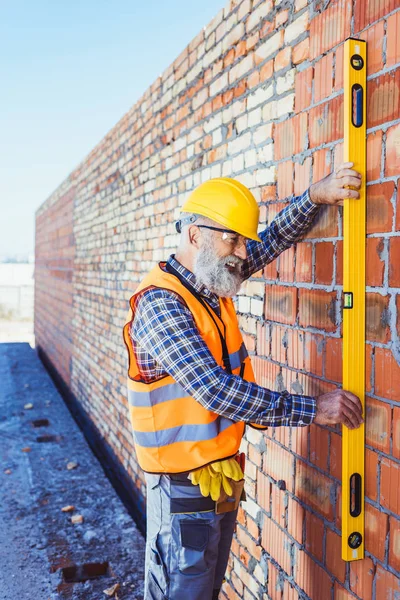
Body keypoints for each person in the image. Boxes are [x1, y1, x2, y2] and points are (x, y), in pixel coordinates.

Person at [122, 163, 364, 600]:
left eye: (240, 239)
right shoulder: (162, 304)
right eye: (229, 237)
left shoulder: (211, 283)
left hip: (221, 476)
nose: (239, 250)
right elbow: (215, 390)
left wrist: (315, 196)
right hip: (181, 490)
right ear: (195, 235)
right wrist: (316, 409)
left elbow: (269, 242)